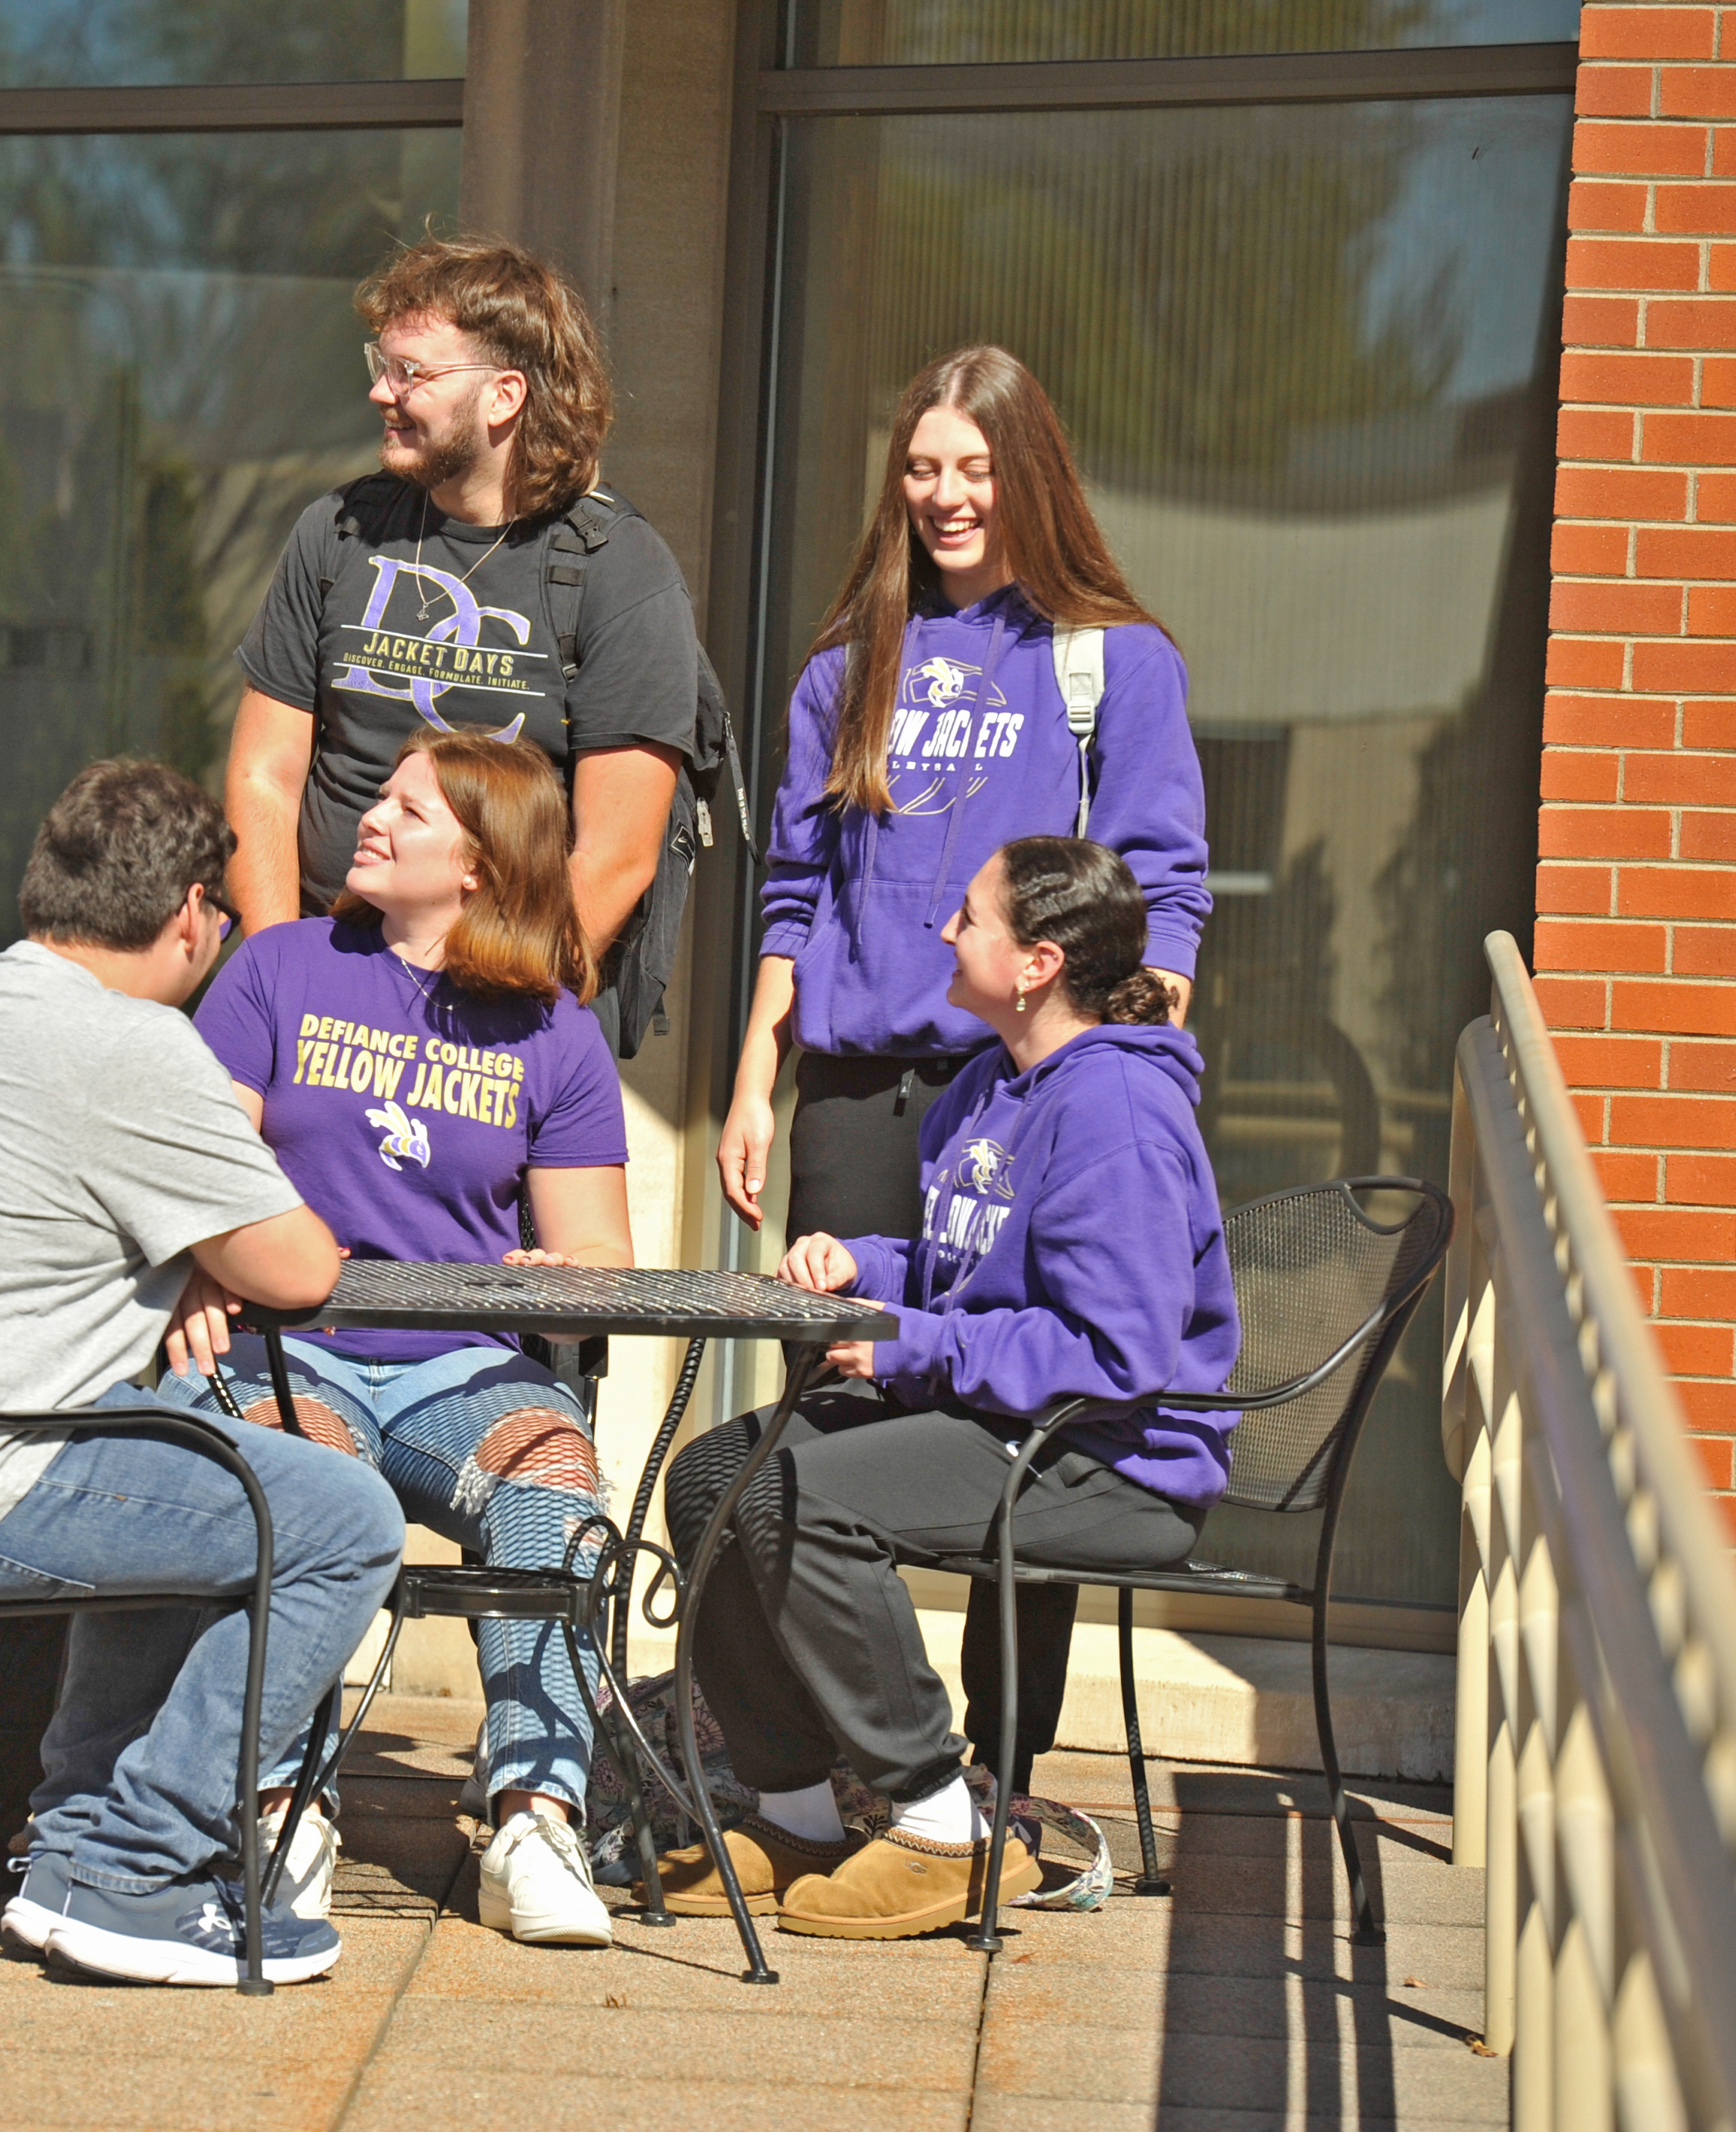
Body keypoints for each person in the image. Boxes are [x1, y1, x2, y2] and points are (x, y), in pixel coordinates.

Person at [0, 759, 401, 1990]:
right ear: (190, 918)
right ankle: (143, 1865)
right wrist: (208, 1238)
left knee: (172, 1442)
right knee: (337, 1517)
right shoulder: (133, 1042)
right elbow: (299, 1263)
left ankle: (71, 1860)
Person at [712, 345, 1211, 1789]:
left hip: (1027, 1077)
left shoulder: (1107, 656)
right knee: (836, 1396)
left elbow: (1162, 879)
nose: (942, 495)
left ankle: (994, 1771)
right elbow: (792, 893)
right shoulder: (844, 665)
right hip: (863, 1082)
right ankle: (818, 1756)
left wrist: (1127, 1062)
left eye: (973, 469)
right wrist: (756, 1075)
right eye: (921, 468)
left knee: (1024, 1421)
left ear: (1028, 475)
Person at [658, 837, 1238, 1939]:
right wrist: (864, 1268)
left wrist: (917, 1346)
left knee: (804, 1498)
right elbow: (961, 1270)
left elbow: (1121, 1351)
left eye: (970, 917)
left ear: (1037, 964)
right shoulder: (990, 1083)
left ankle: (943, 1825)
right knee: (713, 1478)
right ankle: (797, 1817)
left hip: (1116, 1456)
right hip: (1006, 1413)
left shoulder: (1116, 1107)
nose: (944, 933)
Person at [158, 729, 634, 1948]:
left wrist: (558, 1276)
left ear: (480, 863)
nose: (369, 818)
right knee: (298, 1487)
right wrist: (195, 1273)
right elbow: (201, 1164)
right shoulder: (281, 968)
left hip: (460, 1366)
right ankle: (285, 1804)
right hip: (291, 1345)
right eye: (381, 797)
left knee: (556, 1483)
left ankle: (535, 1811)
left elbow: (602, 1256)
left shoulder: (553, 1030)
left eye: (409, 810)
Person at [224, 235, 700, 998]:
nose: (383, 392)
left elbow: (614, 856)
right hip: (322, 972)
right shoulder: (339, 530)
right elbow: (262, 776)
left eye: (413, 373)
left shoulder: (617, 570)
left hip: (499, 999)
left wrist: (495, 1020)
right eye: (382, 365)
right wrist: (280, 978)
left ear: (503, 397)